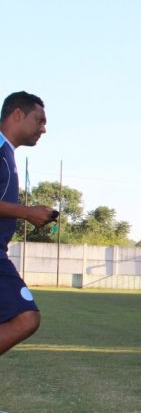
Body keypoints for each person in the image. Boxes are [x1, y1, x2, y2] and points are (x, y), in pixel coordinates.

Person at [0, 92, 56, 381]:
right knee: (26, 317)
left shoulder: (7, 152)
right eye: (40, 120)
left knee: (25, 318)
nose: (44, 128)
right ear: (17, 114)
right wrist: (25, 211)